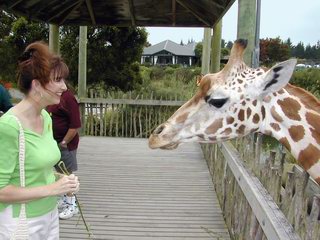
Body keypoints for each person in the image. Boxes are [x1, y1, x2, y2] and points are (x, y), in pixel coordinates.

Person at [0, 41, 80, 240]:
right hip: (21, 222)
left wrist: (61, 180)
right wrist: (53, 189)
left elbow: (36, 170)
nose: (64, 87)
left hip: (50, 215)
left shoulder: (44, 117)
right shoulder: (9, 126)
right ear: (37, 85)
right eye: (58, 80)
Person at [47, 75, 81, 220]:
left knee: (67, 174)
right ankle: (64, 199)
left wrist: (64, 142)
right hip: (53, 143)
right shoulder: (52, 97)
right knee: (59, 172)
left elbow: (75, 125)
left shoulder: (69, 98)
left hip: (65, 144)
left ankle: (72, 206)